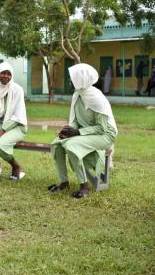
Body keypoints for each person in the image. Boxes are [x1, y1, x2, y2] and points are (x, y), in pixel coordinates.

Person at [48, 63, 118, 198]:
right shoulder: (77, 95)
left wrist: (76, 132)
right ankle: (64, 182)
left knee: (71, 145)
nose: (70, 81)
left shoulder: (97, 98)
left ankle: (84, 187)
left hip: (105, 135)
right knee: (56, 144)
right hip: (86, 132)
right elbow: (75, 119)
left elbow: (101, 128)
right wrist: (68, 130)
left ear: (81, 80)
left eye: (72, 78)